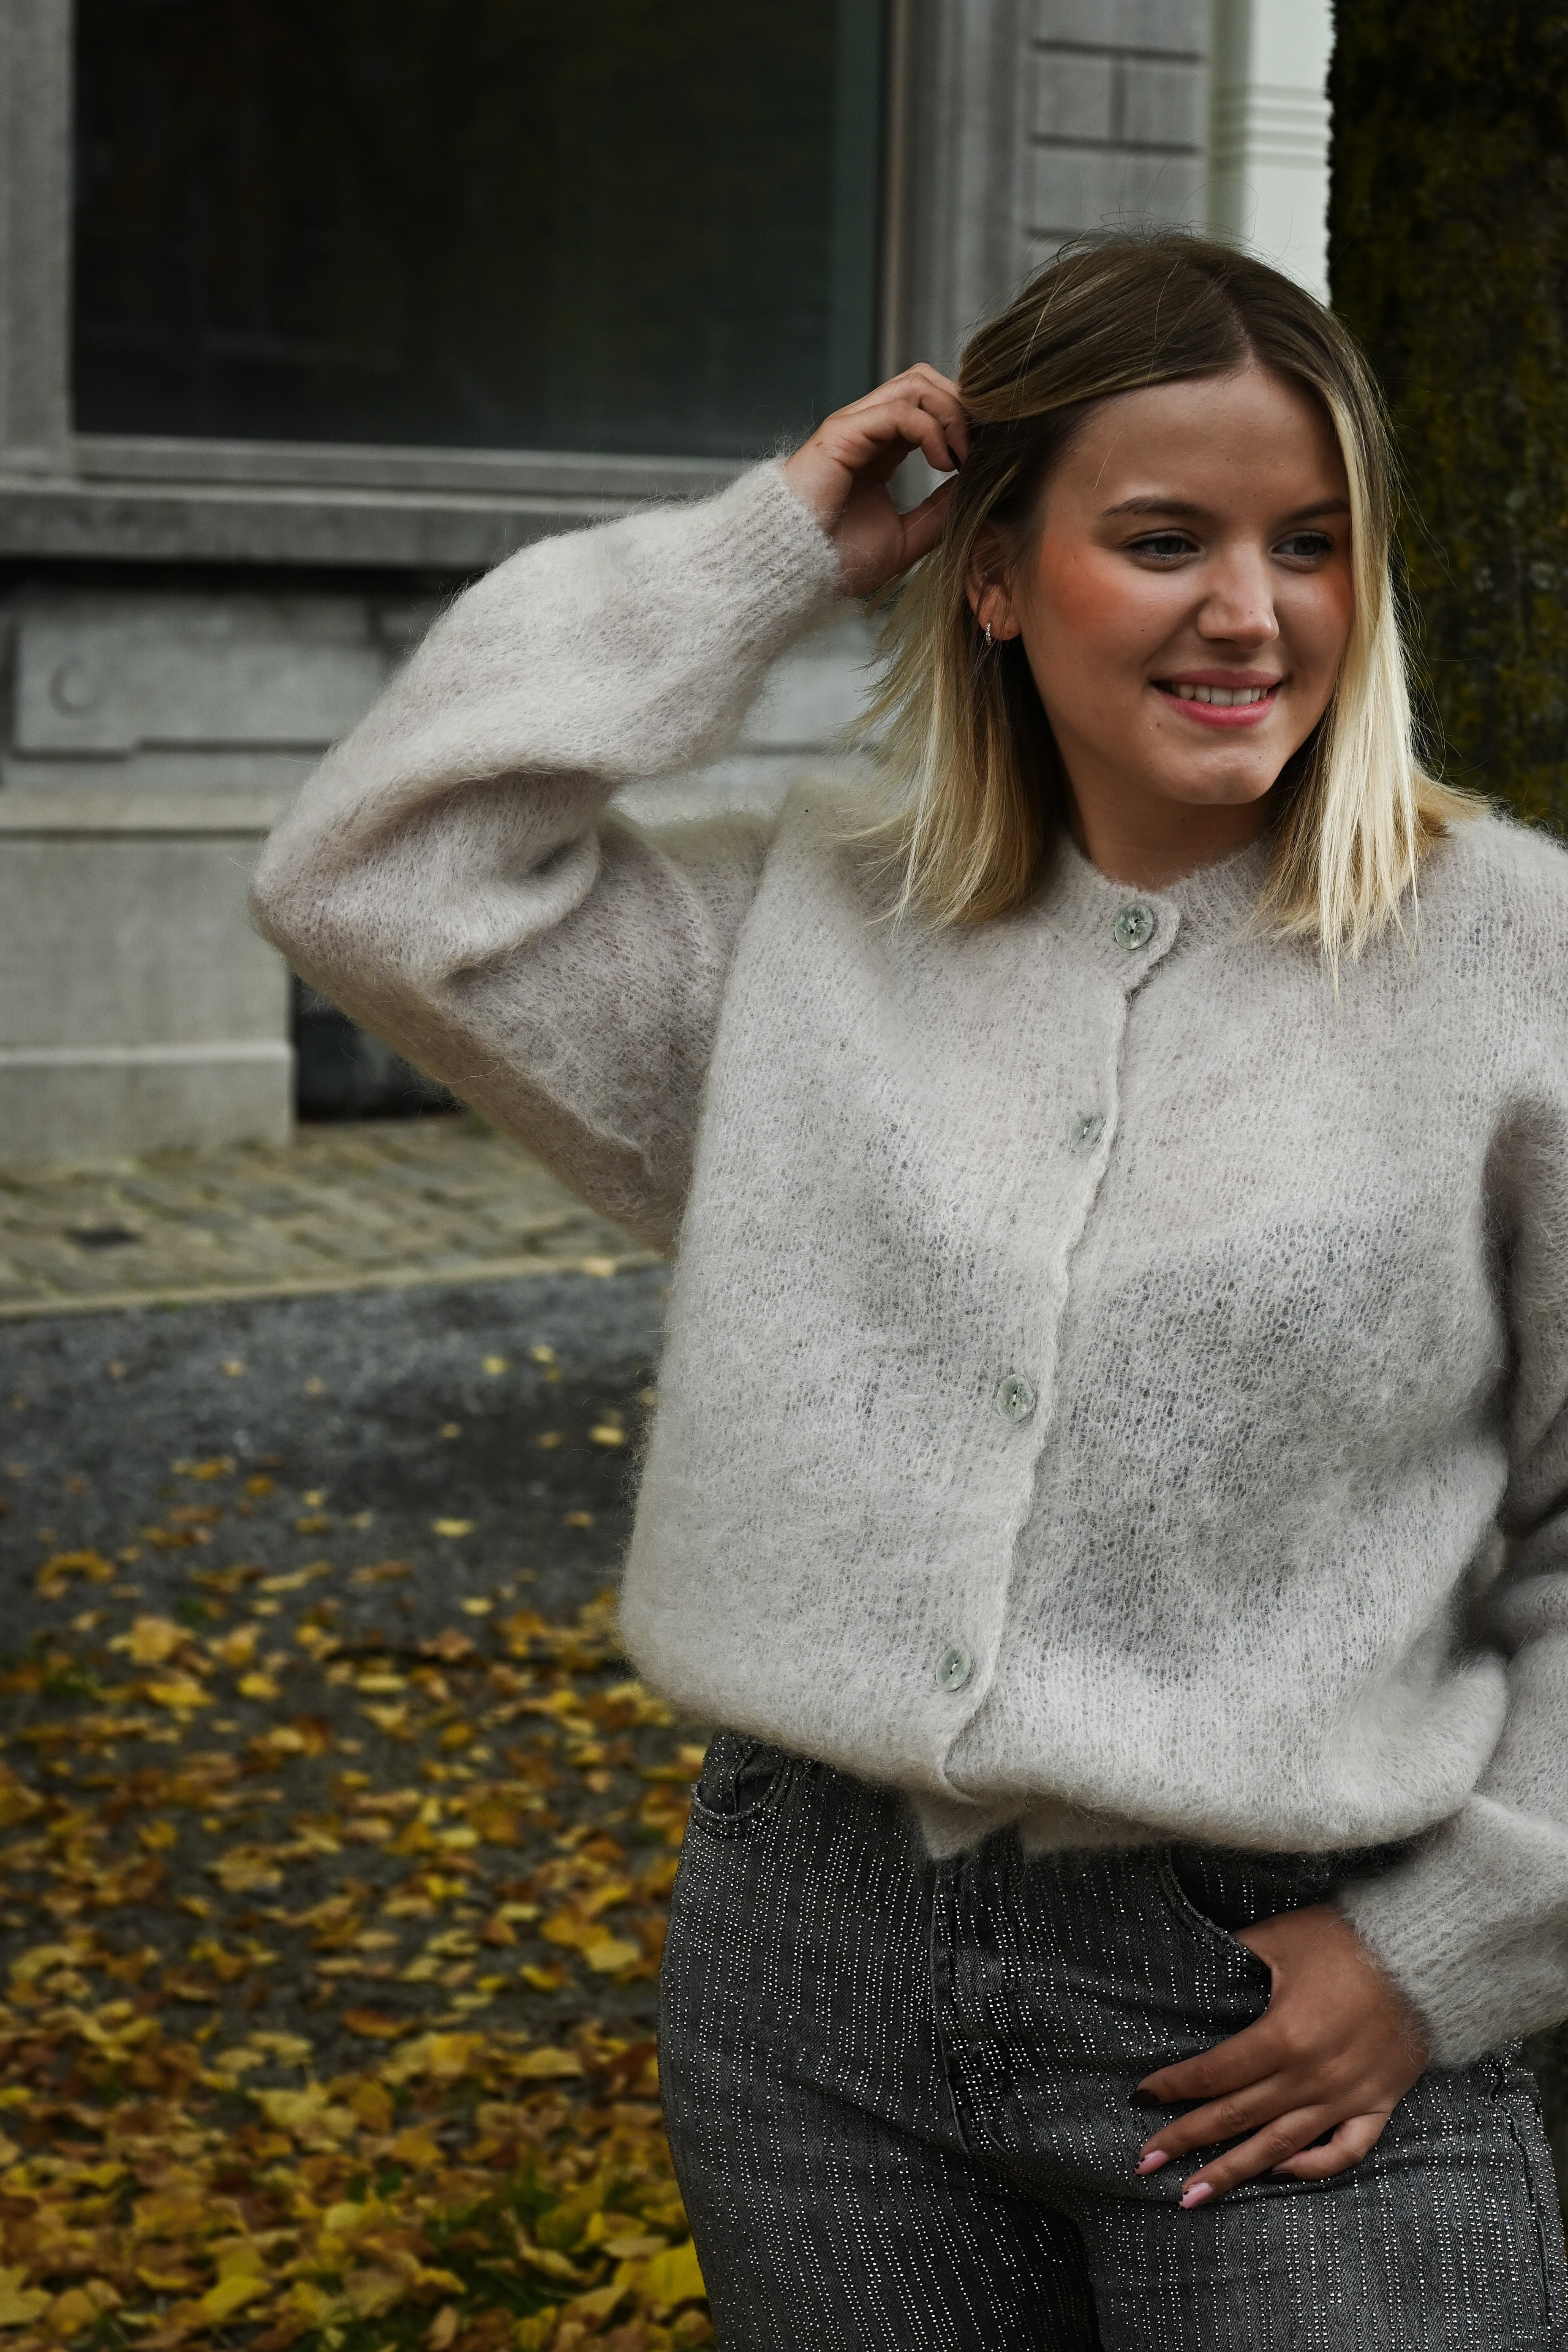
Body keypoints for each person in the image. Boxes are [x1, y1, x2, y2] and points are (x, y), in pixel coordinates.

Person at [250, 232, 1568, 2349]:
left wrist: (1457, 1943)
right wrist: (769, 552)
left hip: (1295, 2004)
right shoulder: (803, 940)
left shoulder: (1513, 965)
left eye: (1310, 545)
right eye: (1164, 540)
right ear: (992, 573)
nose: (1251, 611)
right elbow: (378, 874)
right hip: (814, 1992)